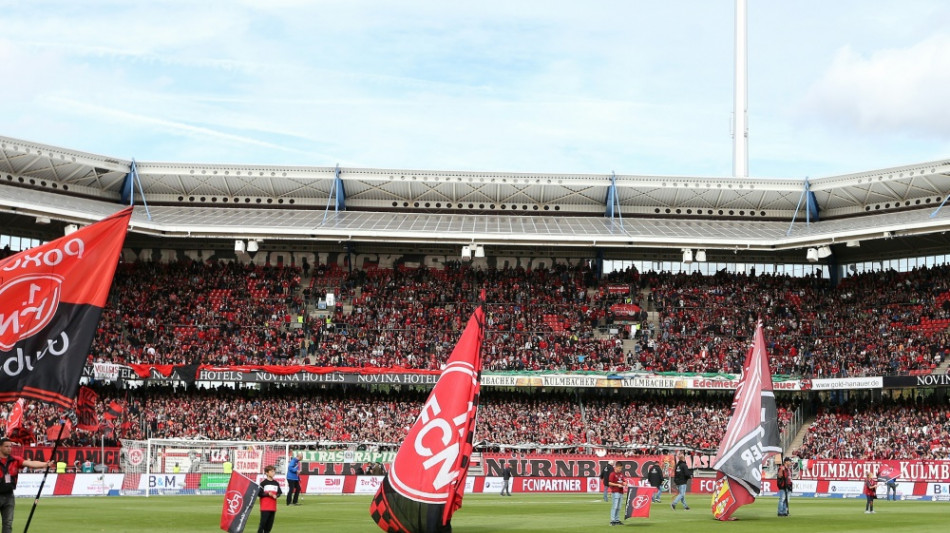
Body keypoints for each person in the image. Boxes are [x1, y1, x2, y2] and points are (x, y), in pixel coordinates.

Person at [0, 438, 55, 533]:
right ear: (0, 447)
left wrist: (45, 464)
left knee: (8, 523)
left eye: (10, 446)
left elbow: (31, 463)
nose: (9, 448)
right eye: (6, 446)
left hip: (9, 495)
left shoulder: (15, 460)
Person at [258, 465, 282, 533]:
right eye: (271, 471)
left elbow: (279, 493)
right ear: (267, 473)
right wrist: (268, 494)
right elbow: (259, 494)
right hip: (265, 507)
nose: (273, 473)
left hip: (273, 507)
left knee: (269, 527)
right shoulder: (263, 483)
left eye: (274, 471)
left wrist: (276, 496)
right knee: (262, 525)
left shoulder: (276, 483)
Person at [607, 462, 626, 526]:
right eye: (619, 468)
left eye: (621, 468)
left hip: (621, 491)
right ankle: (612, 520)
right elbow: (609, 483)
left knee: (619, 507)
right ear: (616, 467)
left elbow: (624, 481)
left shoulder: (621, 474)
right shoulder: (612, 474)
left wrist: (625, 483)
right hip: (615, 491)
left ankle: (617, 520)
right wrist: (617, 485)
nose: (620, 469)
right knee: (615, 506)